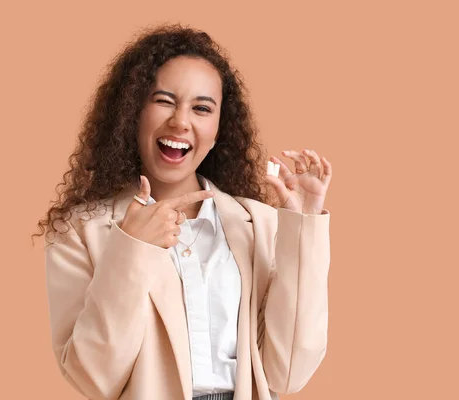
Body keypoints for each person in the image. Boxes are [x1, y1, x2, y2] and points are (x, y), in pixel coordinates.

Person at [36, 24, 332, 400]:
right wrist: (132, 248)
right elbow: (94, 377)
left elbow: (287, 373)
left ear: (217, 129)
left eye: (202, 108)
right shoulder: (79, 231)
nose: (181, 121)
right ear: (132, 113)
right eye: (163, 100)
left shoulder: (261, 224)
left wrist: (302, 229)